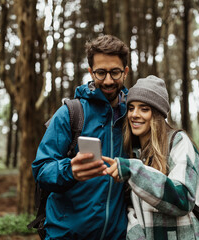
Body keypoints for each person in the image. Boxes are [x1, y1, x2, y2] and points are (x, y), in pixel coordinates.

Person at [32, 35, 130, 239]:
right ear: (90, 72)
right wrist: (70, 170)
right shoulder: (70, 113)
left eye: (115, 72)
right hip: (67, 234)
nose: (108, 80)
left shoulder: (133, 116)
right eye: (101, 73)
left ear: (125, 72)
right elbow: (41, 170)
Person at [103, 75, 199, 239]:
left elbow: (182, 198)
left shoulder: (179, 143)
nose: (134, 114)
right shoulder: (136, 154)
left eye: (144, 109)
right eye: (131, 107)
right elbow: (134, 212)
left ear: (157, 114)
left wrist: (133, 170)